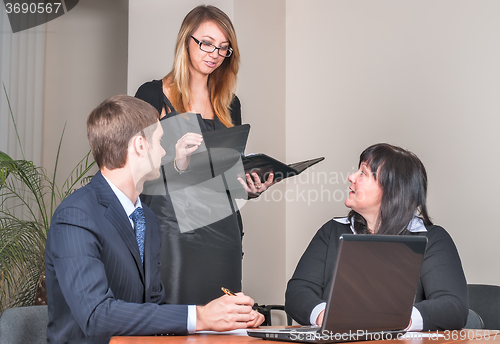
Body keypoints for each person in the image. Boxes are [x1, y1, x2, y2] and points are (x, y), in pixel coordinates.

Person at [45, 95, 264, 344]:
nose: (163, 151)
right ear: (140, 145)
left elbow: (154, 307)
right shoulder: (75, 216)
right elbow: (97, 316)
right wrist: (200, 317)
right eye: (160, 141)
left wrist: (228, 319)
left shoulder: (146, 217)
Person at [135, 5, 274, 305]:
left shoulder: (230, 104)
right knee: (172, 319)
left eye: (224, 48)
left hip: (222, 227)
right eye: (207, 43)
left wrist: (249, 187)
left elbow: (225, 178)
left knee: (223, 317)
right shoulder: (152, 94)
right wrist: (175, 160)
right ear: (186, 40)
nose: (214, 53)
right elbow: (133, 167)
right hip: (170, 231)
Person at [284, 143, 468, 331]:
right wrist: (326, 316)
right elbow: (298, 292)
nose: (351, 177)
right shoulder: (332, 231)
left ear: (392, 189)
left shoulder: (433, 239)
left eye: (363, 173)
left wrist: (396, 319)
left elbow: (453, 307)